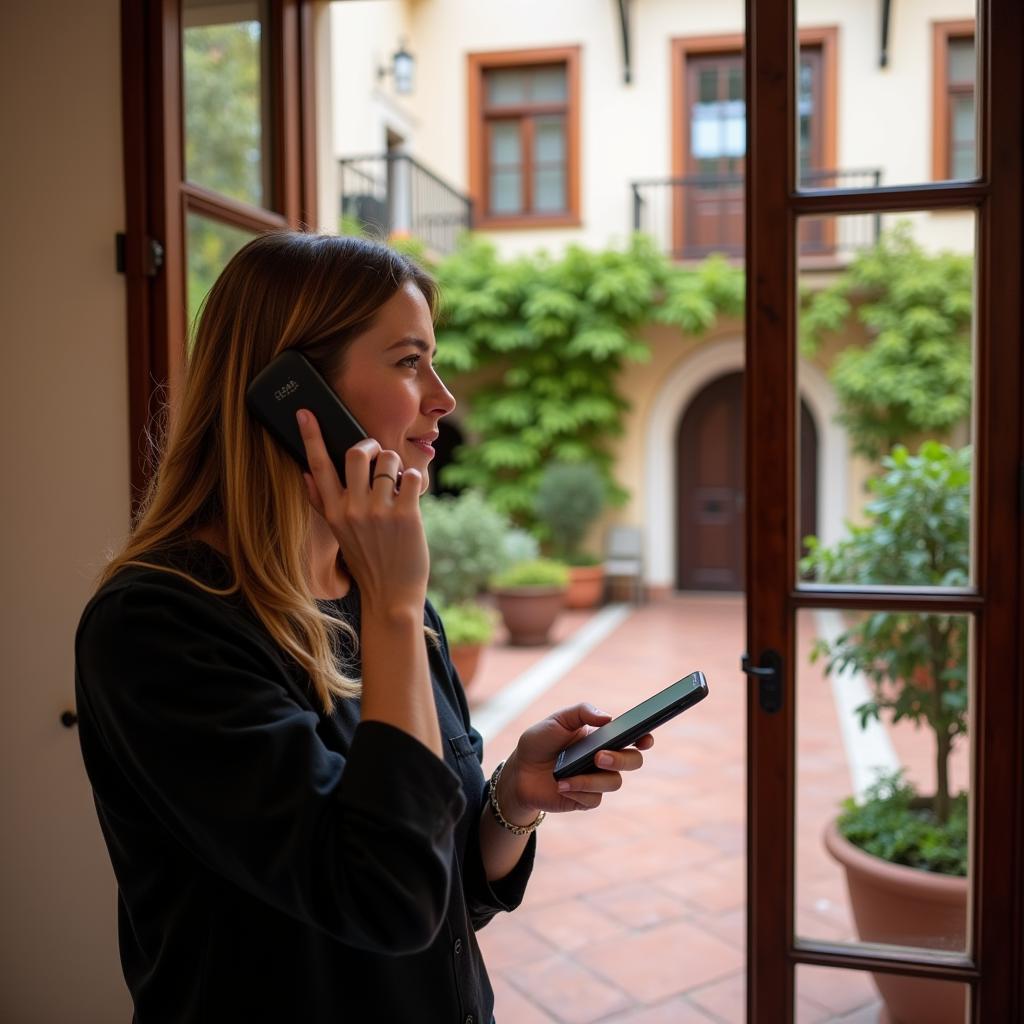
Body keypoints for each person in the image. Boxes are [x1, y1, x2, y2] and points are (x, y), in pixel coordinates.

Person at [75, 232, 654, 1023]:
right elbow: (385, 900)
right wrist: (391, 605)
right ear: (294, 393)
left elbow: (446, 904)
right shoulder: (157, 628)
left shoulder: (386, 602)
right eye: (411, 361)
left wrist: (512, 799)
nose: (443, 397)